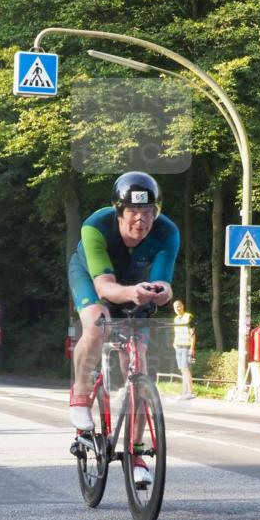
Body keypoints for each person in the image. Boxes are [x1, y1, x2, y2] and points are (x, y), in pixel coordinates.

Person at [68, 171, 178, 485]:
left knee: (139, 362)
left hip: (135, 283)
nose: (141, 219)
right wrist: (132, 292)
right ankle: (80, 394)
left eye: (148, 211)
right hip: (93, 278)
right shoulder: (95, 227)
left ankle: (137, 452)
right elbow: (104, 288)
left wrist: (162, 292)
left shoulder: (167, 231)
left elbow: (164, 282)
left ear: (156, 211)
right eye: (133, 211)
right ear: (119, 212)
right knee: (98, 323)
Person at [172, 299, 196, 399]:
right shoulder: (176, 319)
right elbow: (176, 332)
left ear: (183, 306)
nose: (177, 308)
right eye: (175, 307)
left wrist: (192, 348)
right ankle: (184, 392)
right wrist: (174, 342)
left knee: (185, 369)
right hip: (178, 347)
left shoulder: (189, 317)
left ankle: (190, 392)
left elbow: (193, 334)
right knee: (182, 370)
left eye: (179, 306)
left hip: (186, 346)